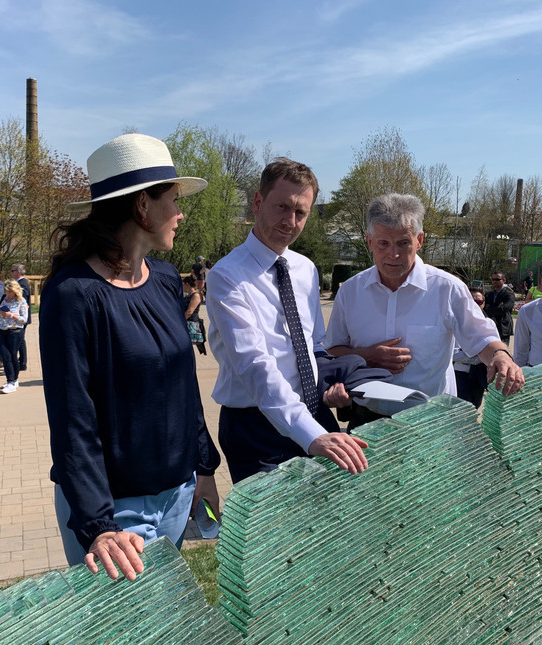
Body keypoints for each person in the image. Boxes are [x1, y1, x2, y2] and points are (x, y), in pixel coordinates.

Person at [39, 133, 221, 582]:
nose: (180, 213)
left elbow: (184, 387)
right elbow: (72, 419)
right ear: (142, 206)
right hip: (117, 518)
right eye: (173, 200)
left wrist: (204, 469)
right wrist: (99, 527)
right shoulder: (73, 295)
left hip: (178, 497)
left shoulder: (163, 280)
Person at [207, 157, 368, 484]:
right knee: (273, 534)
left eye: (301, 212)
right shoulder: (227, 276)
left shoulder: (305, 269)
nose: (290, 220)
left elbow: (313, 345)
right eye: (282, 206)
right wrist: (311, 435)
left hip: (312, 413)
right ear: (257, 202)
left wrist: (332, 387)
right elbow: (254, 364)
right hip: (256, 427)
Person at [325, 193, 524, 426]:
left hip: (431, 425)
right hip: (366, 422)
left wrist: (501, 357)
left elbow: (483, 339)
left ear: (419, 240)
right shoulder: (351, 292)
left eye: (403, 243)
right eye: (383, 243)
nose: (393, 254)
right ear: (369, 241)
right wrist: (367, 357)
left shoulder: (447, 288)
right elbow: (332, 352)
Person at [453, 287, 488, 408]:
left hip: (479, 375)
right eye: (472, 301)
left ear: (484, 303)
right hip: (461, 375)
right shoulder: (455, 323)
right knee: (463, 411)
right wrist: (478, 357)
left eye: (479, 302)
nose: (476, 305)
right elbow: (452, 353)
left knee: (475, 407)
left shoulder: (488, 323)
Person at [0, 279, 29, 393]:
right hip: (1, 330)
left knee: (12, 356)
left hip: (15, 332)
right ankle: (10, 380)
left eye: (9, 291)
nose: (7, 294)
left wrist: (12, 315)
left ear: (15, 291)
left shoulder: (21, 301)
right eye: (6, 291)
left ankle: (13, 380)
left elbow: (24, 319)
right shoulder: (4, 300)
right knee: (5, 356)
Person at [10, 264, 32, 370]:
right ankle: (21, 361)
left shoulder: (23, 283)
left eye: (12, 271)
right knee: (19, 339)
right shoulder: (18, 283)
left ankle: (23, 363)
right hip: (16, 317)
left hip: (21, 317)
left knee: (20, 340)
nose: (11, 273)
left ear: (18, 272)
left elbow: (24, 295)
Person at [483, 271, 515, 344]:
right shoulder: (488, 295)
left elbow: (503, 309)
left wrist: (489, 308)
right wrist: (496, 308)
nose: (494, 281)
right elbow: (484, 309)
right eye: (493, 279)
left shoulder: (509, 295)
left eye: (497, 279)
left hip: (503, 328)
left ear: (503, 280)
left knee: (501, 352)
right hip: (490, 328)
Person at [182, 275, 207, 355]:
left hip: (192, 324)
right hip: (186, 322)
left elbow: (189, 311)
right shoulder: (187, 296)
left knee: (187, 346)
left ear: (187, 284)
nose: (182, 287)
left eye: (183, 285)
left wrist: (180, 322)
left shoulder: (196, 295)